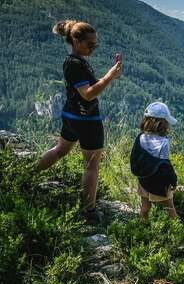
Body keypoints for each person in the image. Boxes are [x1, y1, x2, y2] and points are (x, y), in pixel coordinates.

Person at [36, 20, 122, 224]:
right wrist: (110, 76)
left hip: (71, 116)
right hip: (87, 120)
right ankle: (89, 211)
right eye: (90, 44)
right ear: (75, 40)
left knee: (60, 150)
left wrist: (107, 77)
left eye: (95, 45)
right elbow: (88, 94)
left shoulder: (76, 61)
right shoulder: (75, 63)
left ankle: (29, 174)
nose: (93, 48)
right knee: (91, 166)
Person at [130, 102, 179, 220]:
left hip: (143, 179)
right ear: (162, 123)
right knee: (170, 209)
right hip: (159, 183)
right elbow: (165, 166)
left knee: (145, 207)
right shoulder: (163, 143)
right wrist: (173, 181)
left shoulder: (140, 138)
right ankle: (178, 233)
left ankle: (142, 229)